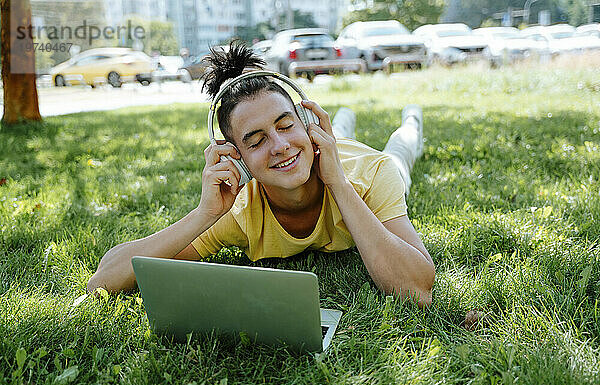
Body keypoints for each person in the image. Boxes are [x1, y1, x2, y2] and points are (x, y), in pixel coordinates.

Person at [87, 42, 435, 307]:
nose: (280, 145)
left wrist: (339, 184)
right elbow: (104, 280)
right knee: (340, 131)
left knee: (401, 149)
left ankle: (411, 117)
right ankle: (344, 119)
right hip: (319, 156)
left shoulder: (371, 174)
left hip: (356, 163)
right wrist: (204, 215)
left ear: (309, 123)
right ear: (236, 158)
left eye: (286, 125)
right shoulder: (239, 210)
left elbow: (417, 289)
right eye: (257, 141)